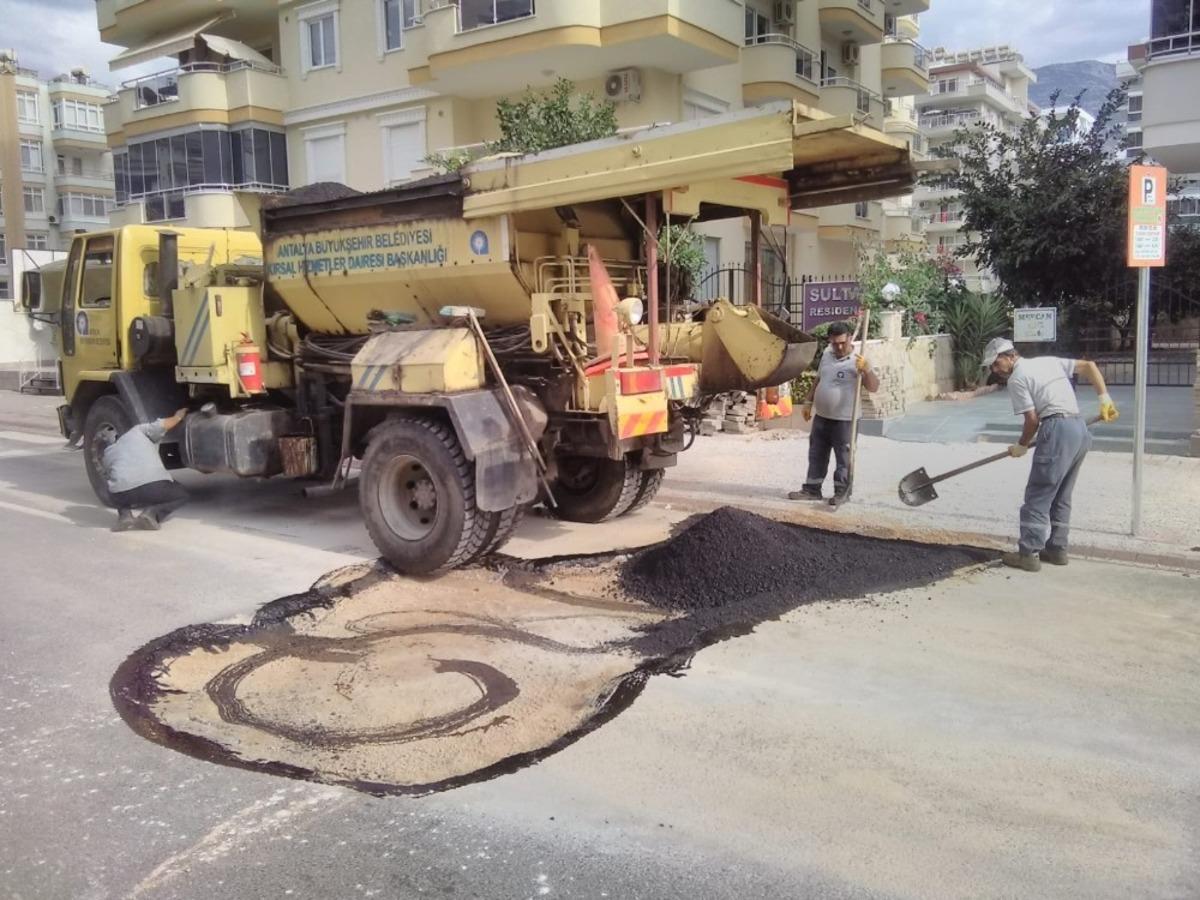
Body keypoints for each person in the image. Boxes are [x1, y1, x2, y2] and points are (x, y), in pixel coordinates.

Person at [981, 338, 1120, 572]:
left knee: (1039, 493)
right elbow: (1089, 366)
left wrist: (1021, 445)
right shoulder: (1047, 362)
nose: (995, 370)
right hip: (1079, 430)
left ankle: (1028, 553)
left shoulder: (1017, 379)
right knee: (1062, 495)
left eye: (996, 364)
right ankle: (1057, 549)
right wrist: (1104, 398)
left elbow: (1032, 420)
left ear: (1009, 356)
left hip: (1056, 429)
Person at [789, 321, 879, 506]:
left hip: (845, 420)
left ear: (848, 339)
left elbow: (873, 387)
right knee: (816, 454)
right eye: (834, 343)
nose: (838, 347)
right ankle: (812, 490)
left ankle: (842, 492)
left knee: (843, 458)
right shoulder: (827, 355)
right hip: (822, 417)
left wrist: (867, 370)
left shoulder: (859, 358)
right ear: (830, 341)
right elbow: (819, 378)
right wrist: (808, 401)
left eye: (842, 343)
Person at [102, 407, 190, 532]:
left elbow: (108, 476)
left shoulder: (108, 452)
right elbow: (162, 425)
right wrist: (178, 416)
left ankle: (125, 516)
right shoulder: (137, 431)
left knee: (112, 484)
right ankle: (151, 513)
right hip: (153, 487)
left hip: (123, 494)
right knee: (182, 495)